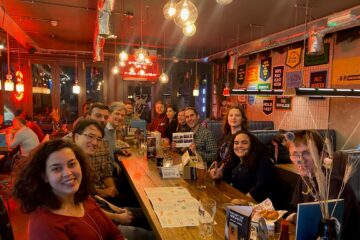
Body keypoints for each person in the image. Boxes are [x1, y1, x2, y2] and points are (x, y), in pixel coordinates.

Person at [12, 139, 124, 240]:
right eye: (56, 168)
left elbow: (114, 233)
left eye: (72, 164)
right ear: (44, 176)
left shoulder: (82, 198)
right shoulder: (45, 226)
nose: (68, 173)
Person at [72, 120, 154, 240]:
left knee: (152, 213)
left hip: (105, 212)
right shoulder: (72, 167)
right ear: (76, 137)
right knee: (151, 233)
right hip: (100, 226)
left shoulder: (83, 162)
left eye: (98, 139)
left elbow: (92, 197)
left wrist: (118, 210)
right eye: (90, 136)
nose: (95, 142)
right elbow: (85, 210)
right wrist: (117, 217)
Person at [286, 130, 360, 239]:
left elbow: (322, 228)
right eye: (295, 154)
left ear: (322, 155)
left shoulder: (334, 184)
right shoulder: (305, 176)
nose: (300, 160)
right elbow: (294, 208)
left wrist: (294, 217)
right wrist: (294, 216)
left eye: (307, 153)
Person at [209, 130, 280, 204]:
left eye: (244, 143)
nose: (239, 146)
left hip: (262, 206)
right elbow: (228, 174)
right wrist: (220, 175)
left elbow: (261, 187)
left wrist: (241, 202)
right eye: (236, 143)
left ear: (252, 145)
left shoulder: (263, 160)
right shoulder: (235, 160)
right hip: (239, 201)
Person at [104, 102, 130, 172]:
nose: (120, 117)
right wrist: (113, 164)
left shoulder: (112, 129)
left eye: (122, 115)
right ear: (109, 114)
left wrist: (120, 150)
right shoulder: (103, 131)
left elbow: (110, 148)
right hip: (107, 173)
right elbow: (102, 157)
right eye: (117, 114)